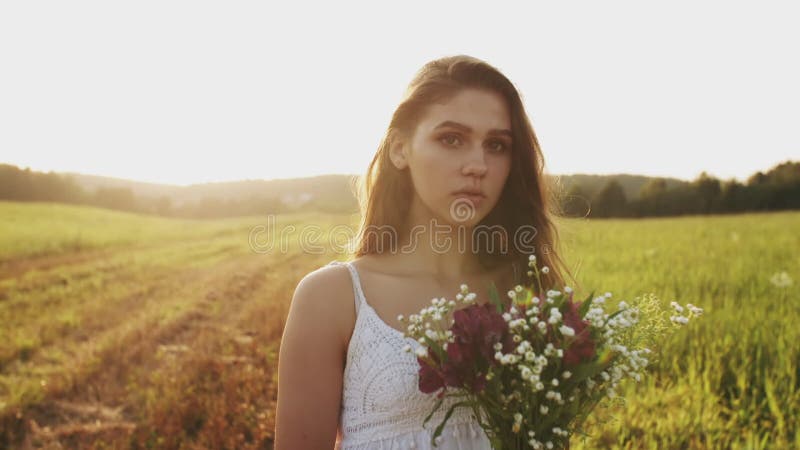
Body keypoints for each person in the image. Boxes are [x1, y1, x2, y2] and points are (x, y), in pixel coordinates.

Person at [274, 55, 573, 449]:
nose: (478, 165)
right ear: (400, 149)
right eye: (451, 139)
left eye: (497, 145)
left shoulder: (528, 292)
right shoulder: (333, 297)